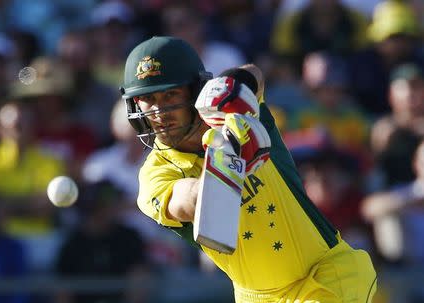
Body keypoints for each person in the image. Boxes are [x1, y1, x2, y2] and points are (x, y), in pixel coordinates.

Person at [121, 36, 377, 302]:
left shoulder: (236, 114)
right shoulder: (154, 173)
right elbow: (187, 201)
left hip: (325, 273)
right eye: (147, 99)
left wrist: (232, 88)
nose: (159, 111)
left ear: (195, 92)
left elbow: (254, 74)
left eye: (170, 94)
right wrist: (227, 159)